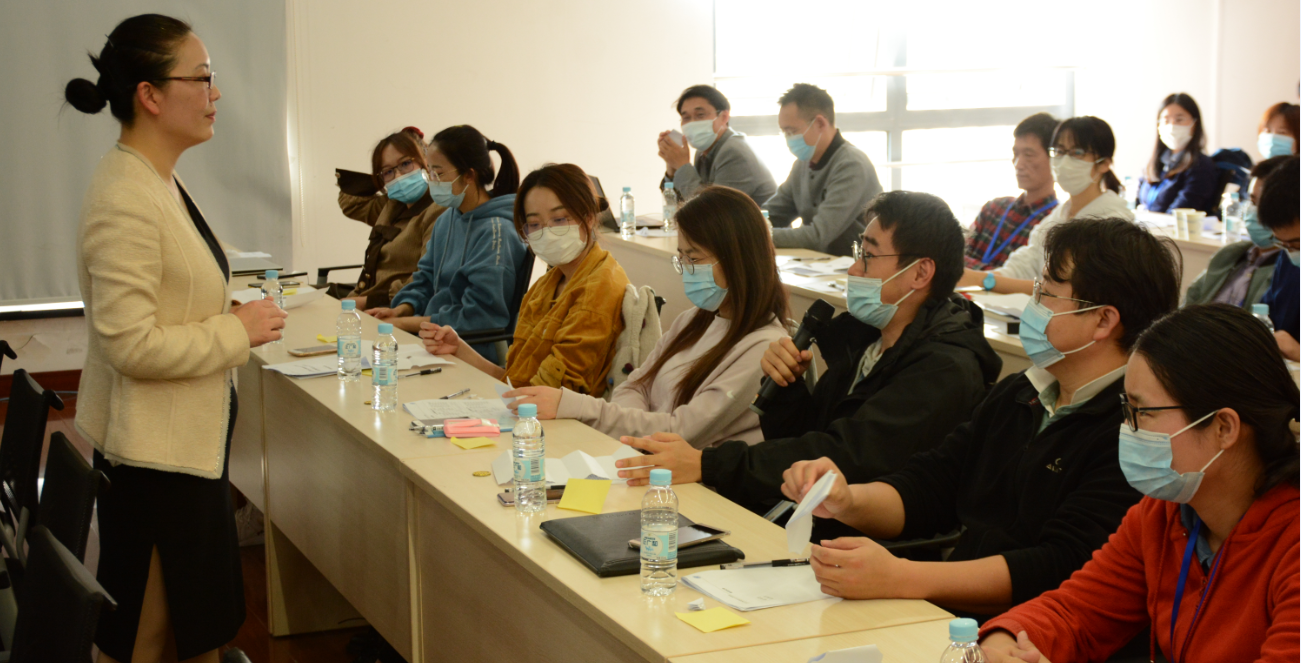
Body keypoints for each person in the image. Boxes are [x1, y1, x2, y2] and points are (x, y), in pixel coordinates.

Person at [66, 14, 287, 663]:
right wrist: (236, 330)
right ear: (151, 95)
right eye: (203, 78)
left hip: (186, 450)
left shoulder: (156, 179)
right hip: (154, 459)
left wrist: (228, 310)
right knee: (139, 638)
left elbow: (172, 291)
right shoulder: (124, 194)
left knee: (199, 632)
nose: (215, 93)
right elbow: (130, 343)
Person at [781, 217, 1181, 615]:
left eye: (1045, 292)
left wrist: (902, 577)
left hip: (1030, 631)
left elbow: (1059, 566)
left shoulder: (1133, 429)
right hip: (954, 613)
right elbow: (932, 486)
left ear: (1103, 320)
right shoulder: (1023, 392)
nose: (1032, 305)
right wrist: (847, 499)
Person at [978, 304, 1299, 663]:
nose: (1127, 429)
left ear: (1224, 427)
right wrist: (1002, 644)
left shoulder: (1292, 540)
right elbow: (1077, 612)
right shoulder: (1165, 512)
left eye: (1141, 413)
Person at [614, 191, 1002, 512]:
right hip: (806, 515)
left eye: (868, 257)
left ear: (920, 273)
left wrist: (707, 464)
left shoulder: (944, 368)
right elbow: (807, 434)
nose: (854, 270)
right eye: (858, 253)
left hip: (855, 540)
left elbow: (842, 456)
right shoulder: (866, 343)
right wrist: (786, 389)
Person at [505, 186, 790, 449]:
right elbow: (635, 384)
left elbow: (681, 432)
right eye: (681, 257)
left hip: (693, 478)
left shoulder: (763, 348)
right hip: (645, 456)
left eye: (694, 258)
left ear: (738, 260)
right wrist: (639, 429)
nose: (686, 269)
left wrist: (580, 408)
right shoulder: (694, 319)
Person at [418, 163, 629, 395]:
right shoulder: (546, 286)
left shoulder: (597, 290)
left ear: (588, 217)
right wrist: (459, 349)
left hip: (553, 414)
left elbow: (548, 397)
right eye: (535, 224)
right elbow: (514, 381)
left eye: (559, 219)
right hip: (527, 406)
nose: (547, 231)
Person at [365, 125, 526, 364]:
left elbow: (479, 317)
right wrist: (401, 309)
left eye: (438, 174)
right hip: (431, 341)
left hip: (471, 352)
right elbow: (425, 278)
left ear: (469, 175)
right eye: (429, 172)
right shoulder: (448, 219)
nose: (432, 182)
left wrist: (403, 323)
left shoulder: (497, 233)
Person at [963, 116, 1133, 296]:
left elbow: (1070, 292)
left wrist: (982, 280)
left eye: (1077, 153)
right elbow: (1021, 268)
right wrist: (979, 278)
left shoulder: (1113, 224)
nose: (1064, 161)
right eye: (1059, 151)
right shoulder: (1057, 217)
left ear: (1104, 163)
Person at [763, 83, 883, 257]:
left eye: (792, 131)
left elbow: (818, 236)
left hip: (854, 266)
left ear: (820, 123)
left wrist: (758, 234)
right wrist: (747, 225)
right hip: (820, 264)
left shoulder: (851, 164)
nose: (788, 139)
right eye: (784, 132)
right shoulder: (803, 164)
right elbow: (774, 212)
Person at [333, 126, 445, 308]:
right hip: (364, 297)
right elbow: (352, 204)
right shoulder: (392, 204)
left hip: (393, 306)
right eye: (388, 172)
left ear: (426, 160)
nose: (399, 176)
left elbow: (427, 279)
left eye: (406, 164)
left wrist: (366, 302)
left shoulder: (439, 208)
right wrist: (380, 182)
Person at [1183, 156, 1287, 309]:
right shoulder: (1230, 254)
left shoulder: (1289, 271)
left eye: (1266, 204)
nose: (1256, 211)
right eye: (1252, 201)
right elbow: (1190, 300)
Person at [965, 113, 1060, 271]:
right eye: (1016, 154)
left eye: (1028, 155)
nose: (1018, 164)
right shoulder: (994, 208)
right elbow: (955, 259)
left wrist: (973, 272)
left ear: (1055, 159)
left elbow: (1029, 281)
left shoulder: (1054, 224)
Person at [655, 84, 776, 205]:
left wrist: (682, 166)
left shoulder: (733, 152)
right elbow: (678, 206)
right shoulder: (702, 152)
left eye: (700, 115)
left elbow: (711, 209)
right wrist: (672, 169)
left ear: (724, 117)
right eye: (686, 118)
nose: (692, 122)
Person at [1137, 93, 1218, 214]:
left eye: (1179, 120)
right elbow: (1137, 202)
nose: (1172, 126)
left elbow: (1181, 210)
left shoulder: (1201, 165)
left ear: (1195, 124)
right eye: (1166, 120)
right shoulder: (1155, 163)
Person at [1257, 155, 1299, 361]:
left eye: (1296, 243)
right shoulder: (1290, 260)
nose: (1291, 251)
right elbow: (1267, 315)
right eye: (1284, 244)